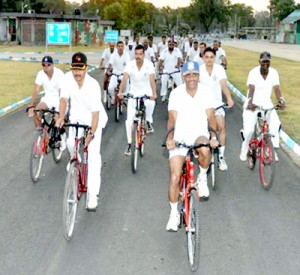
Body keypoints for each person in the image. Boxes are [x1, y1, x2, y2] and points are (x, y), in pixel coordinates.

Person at [165, 61, 219, 232]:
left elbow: (211, 117)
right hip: (180, 137)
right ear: (183, 77)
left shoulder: (206, 92)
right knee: (174, 177)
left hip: (199, 134)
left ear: (198, 75)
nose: (191, 78)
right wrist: (170, 138)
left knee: (204, 149)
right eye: (187, 75)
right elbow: (172, 119)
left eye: (194, 74)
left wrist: (213, 136)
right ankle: (173, 214)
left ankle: (202, 178)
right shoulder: (175, 93)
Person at [56, 52, 108, 210]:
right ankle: (75, 159)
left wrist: (91, 134)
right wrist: (61, 117)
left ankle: (93, 195)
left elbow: (95, 113)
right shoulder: (67, 80)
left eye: (80, 69)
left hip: (93, 120)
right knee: (71, 143)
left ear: (85, 68)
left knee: (92, 155)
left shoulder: (93, 85)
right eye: (74, 69)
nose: (77, 73)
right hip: (76, 117)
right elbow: (64, 99)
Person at [240, 51, 286, 162]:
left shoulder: (274, 73)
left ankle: (272, 150)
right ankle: (244, 148)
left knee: (276, 124)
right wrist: (250, 103)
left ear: (270, 62)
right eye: (263, 61)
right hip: (253, 103)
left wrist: (281, 100)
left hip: (266, 103)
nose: (265, 63)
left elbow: (277, 89)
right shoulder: (253, 72)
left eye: (268, 61)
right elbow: (251, 89)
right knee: (249, 131)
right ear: (259, 61)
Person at [117, 45, 157, 155]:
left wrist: (154, 93)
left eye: (140, 54)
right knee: (129, 121)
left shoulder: (149, 65)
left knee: (151, 103)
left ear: (144, 54)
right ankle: (129, 144)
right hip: (133, 93)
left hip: (147, 92)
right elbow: (124, 79)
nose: (138, 56)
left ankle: (148, 121)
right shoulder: (130, 64)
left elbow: (152, 79)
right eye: (136, 54)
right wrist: (120, 92)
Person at [200, 47, 235, 171]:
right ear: (203, 57)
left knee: (221, 127)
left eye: (211, 57)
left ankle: (221, 156)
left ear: (214, 58)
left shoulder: (219, 69)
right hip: (203, 105)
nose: (209, 60)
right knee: (202, 129)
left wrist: (229, 99)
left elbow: (223, 84)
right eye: (207, 57)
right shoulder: (199, 70)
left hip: (217, 103)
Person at [27, 55, 66, 150]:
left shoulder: (59, 73)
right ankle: (42, 134)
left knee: (58, 119)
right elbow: (36, 90)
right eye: (43, 65)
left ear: (52, 65)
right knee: (37, 112)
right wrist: (31, 105)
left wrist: (61, 110)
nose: (46, 67)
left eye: (48, 65)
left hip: (59, 98)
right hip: (47, 98)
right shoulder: (40, 74)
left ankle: (62, 137)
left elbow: (62, 92)